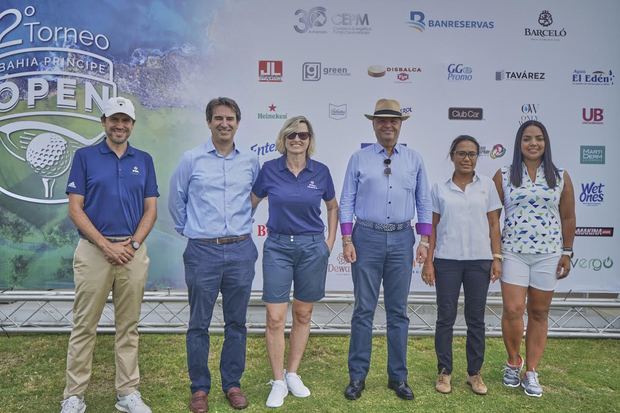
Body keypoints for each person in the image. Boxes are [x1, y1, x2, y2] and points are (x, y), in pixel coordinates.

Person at [61, 97, 158, 413]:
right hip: (94, 252)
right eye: (114, 120)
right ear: (104, 122)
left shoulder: (143, 160)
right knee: (84, 326)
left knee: (128, 327)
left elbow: (150, 211)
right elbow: (75, 209)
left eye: (125, 120)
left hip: (131, 253)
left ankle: (127, 393)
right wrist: (105, 246)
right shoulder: (86, 157)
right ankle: (73, 396)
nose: (120, 125)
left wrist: (130, 246)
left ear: (132, 124)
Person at [168, 97, 260, 412]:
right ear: (209, 122)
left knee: (236, 322)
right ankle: (199, 389)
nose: (224, 123)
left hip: (240, 250)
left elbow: (253, 199)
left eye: (230, 118)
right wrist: (193, 231)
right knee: (199, 323)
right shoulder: (190, 159)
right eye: (218, 118)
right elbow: (176, 201)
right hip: (202, 251)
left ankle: (232, 384)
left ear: (237, 122)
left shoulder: (249, 161)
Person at [340, 98, 432, 401]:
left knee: (398, 312)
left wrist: (424, 240)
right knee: (363, 310)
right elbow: (347, 201)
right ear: (374, 124)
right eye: (382, 120)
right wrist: (347, 239)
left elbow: (424, 202)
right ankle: (357, 377)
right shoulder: (359, 158)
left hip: (402, 238)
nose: (388, 125)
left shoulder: (414, 159)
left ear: (401, 124)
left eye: (393, 120)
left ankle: (398, 377)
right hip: (366, 237)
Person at [251, 116, 338, 408]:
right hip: (277, 246)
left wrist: (329, 242)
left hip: (312, 248)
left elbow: (332, 207)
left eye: (302, 135)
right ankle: (277, 381)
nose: (297, 140)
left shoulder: (321, 172)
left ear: (309, 139)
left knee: (302, 314)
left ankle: (292, 373)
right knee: (275, 317)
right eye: (291, 135)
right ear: (283, 139)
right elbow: (250, 204)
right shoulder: (269, 170)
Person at [492, 120, 576, 397]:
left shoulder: (560, 175)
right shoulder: (503, 174)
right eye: (527, 138)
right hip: (513, 252)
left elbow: (567, 216)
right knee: (514, 309)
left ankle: (531, 371)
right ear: (519, 143)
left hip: (548, 254)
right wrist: (495, 253)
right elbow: (492, 218)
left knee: (539, 313)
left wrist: (567, 252)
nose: (533, 143)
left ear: (546, 143)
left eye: (539, 138)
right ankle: (513, 362)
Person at [421, 135, 502, 396]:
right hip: (446, 261)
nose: (467, 158)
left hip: (480, 261)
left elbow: (493, 225)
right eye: (461, 153)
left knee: (475, 319)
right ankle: (444, 372)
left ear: (478, 157)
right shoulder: (439, 189)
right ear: (452, 155)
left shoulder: (487, 186)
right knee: (445, 318)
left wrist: (497, 257)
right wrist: (429, 263)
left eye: (472, 154)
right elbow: (431, 228)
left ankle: (474, 374)